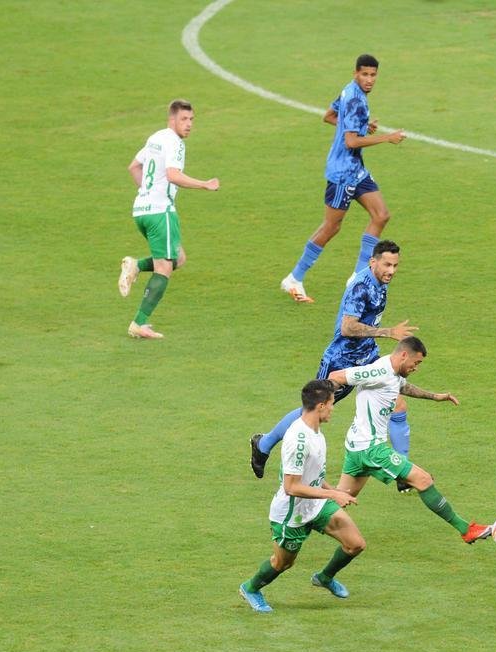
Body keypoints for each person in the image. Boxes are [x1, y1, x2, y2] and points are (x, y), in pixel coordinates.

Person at [252, 240, 418, 491]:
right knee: (311, 413)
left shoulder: (380, 281)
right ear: (373, 262)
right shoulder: (361, 287)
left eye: (395, 265)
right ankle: (263, 445)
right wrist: (388, 332)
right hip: (341, 360)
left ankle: (403, 474)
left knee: (397, 401)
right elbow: (347, 327)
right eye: (387, 264)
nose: (392, 270)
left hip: (367, 355)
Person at [327, 336, 490, 544]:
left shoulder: (392, 371)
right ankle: (466, 529)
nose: (416, 367)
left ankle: (297, 522)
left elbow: (401, 387)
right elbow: (336, 375)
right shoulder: (379, 371)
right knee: (423, 480)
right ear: (404, 355)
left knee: (338, 500)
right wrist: (327, 398)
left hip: (357, 447)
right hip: (370, 448)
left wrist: (435, 396)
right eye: (417, 362)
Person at [279, 54, 406, 304]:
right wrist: (385, 137)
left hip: (356, 169)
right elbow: (350, 141)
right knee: (331, 227)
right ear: (355, 73)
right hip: (342, 173)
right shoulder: (356, 99)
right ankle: (294, 277)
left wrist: (361, 126)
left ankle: (358, 276)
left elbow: (329, 116)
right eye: (365, 74)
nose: (369, 80)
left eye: (373, 75)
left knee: (381, 215)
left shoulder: (348, 91)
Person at [239, 380, 364, 613]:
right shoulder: (298, 440)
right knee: (283, 563)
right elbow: (291, 487)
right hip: (291, 512)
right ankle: (251, 588)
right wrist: (332, 494)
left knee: (355, 544)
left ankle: (324, 578)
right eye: (331, 403)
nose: (333, 408)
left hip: (316, 503)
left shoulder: (316, 431)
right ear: (320, 406)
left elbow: (314, 474)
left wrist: (333, 491)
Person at [117, 99, 220, 339]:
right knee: (164, 268)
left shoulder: (156, 137)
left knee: (178, 258)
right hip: (161, 212)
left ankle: (137, 265)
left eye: (192, 119)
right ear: (171, 119)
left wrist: (147, 193)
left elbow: (133, 166)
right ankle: (139, 323)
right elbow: (173, 175)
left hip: (141, 210)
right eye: (184, 119)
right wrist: (204, 185)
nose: (189, 124)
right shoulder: (174, 143)